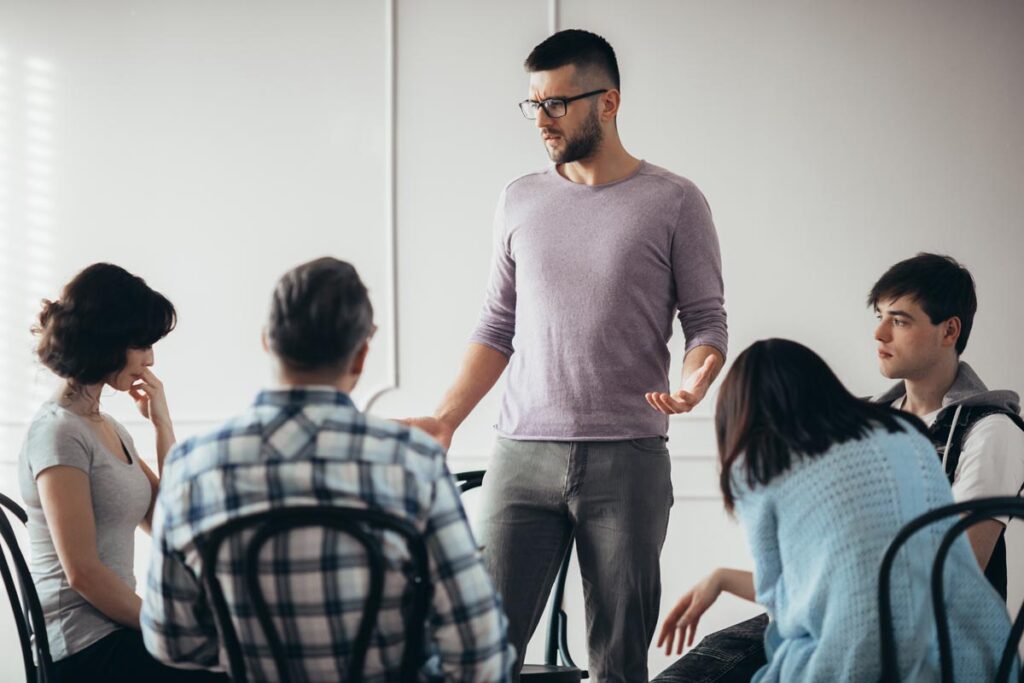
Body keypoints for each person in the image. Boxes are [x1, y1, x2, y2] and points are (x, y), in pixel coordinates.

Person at [403, 28, 727, 682]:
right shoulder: (519, 198)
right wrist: (445, 418)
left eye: (556, 103)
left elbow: (706, 324)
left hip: (629, 456)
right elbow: (498, 324)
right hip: (521, 452)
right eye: (534, 104)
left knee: (617, 659)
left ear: (607, 102)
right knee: (481, 653)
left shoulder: (674, 201)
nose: (542, 120)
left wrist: (695, 382)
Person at [653, 252, 1024, 682]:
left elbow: (954, 573)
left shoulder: (989, 429)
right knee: (705, 662)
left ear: (949, 330)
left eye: (900, 321)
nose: (879, 332)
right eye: (879, 315)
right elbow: (826, 572)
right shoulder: (871, 427)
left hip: (921, 637)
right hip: (834, 613)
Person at [141, 257, 514, 681]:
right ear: (360, 357)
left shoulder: (192, 467)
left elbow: (171, 641)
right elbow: (479, 652)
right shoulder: (412, 463)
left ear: (267, 342)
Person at [17, 263, 225, 682]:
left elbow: (168, 523)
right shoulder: (59, 433)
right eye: (142, 344)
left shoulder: (104, 426)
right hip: (82, 650)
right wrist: (169, 628)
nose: (150, 358)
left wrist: (162, 426)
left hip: (114, 634)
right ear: (107, 342)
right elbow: (82, 573)